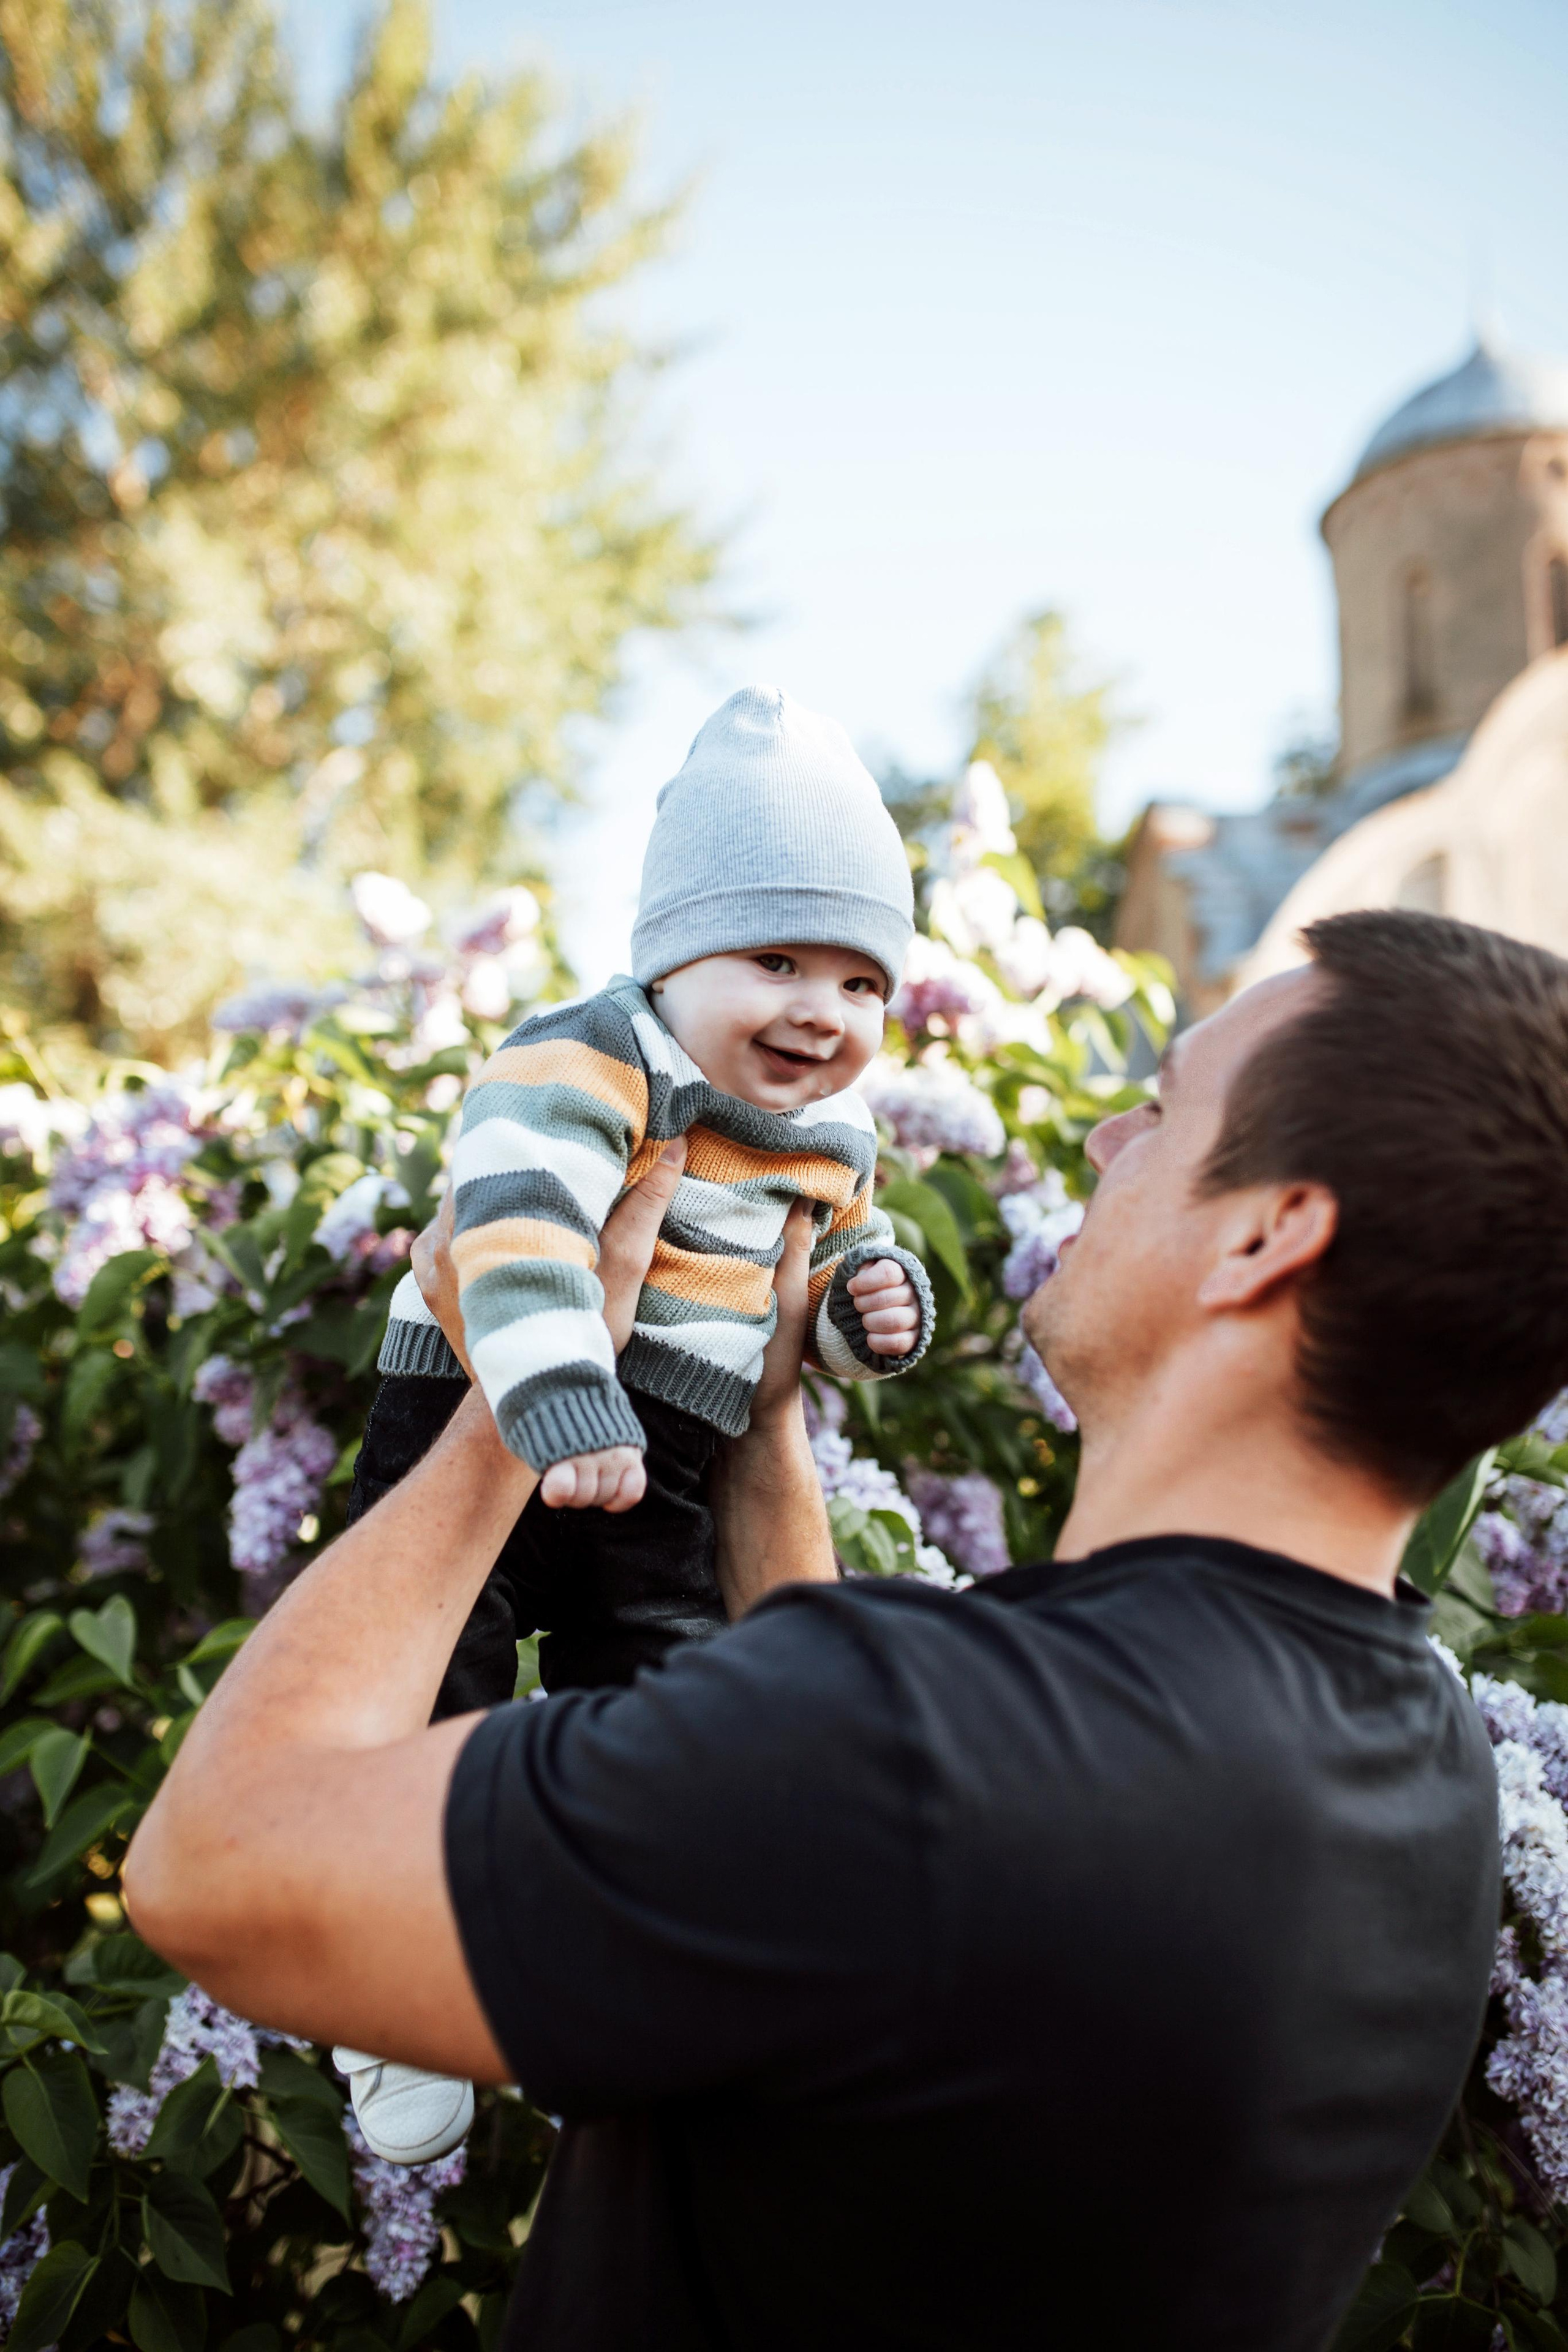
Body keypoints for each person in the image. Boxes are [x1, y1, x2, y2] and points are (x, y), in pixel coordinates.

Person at [126, 908, 1568, 2351]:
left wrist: (514, 1386)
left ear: (1264, 1234)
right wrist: (764, 1425)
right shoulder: (1432, 1792)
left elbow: (215, 1868)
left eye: (1160, 1109)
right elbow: (858, 1908)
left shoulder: (910, 1750)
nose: (1100, 1139)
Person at [338, 683, 933, 2163]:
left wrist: (870, 1308)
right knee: (437, 1685)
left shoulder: (831, 1135)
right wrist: (553, 1396)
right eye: (775, 960)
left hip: (668, 1454)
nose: (821, 1010)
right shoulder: (593, 1052)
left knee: (666, 1697)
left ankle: (607, 1965)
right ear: (672, 957)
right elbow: (517, 1219)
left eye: (861, 981)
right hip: (490, 1395)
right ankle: (390, 1989)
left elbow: (824, 1262)